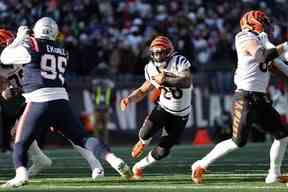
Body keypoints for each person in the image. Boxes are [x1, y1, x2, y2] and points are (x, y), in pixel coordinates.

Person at [0, 17, 131, 188]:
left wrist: (18, 40)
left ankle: (21, 174)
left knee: (20, 142)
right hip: (58, 98)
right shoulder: (61, 49)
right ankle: (112, 160)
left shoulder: (29, 46)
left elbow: (7, 57)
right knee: (83, 138)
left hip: (38, 100)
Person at [191, 10, 288, 185]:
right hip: (245, 97)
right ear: (251, 23)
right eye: (262, 22)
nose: (265, 26)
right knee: (238, 141)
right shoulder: (244, 37)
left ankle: (274, 174)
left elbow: (275, 65)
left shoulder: (262, 41)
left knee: (282, 136)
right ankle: (200, 164)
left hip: (260, 99)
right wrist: (285, 46)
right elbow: (262, 56)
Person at [120, 36, 193, 179]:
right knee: (144, 133)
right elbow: (142, 90)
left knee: (162, 151)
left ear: (169, 52)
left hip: (181, 114)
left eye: (161, 52)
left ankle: (139, 167)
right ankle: (142, 142)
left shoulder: (179, 61)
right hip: (163, 107)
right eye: (155, 52)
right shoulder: (151, 68)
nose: (158, 56)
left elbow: (187, 81)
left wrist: (166, 79)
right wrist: (129, 98)